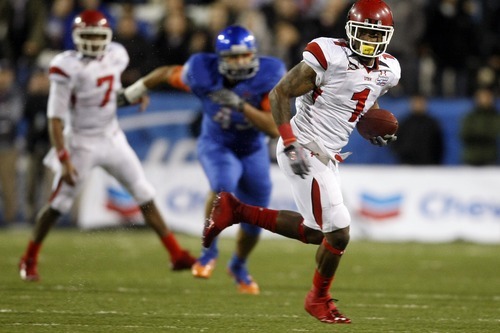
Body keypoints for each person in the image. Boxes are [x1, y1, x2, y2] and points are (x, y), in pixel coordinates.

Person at [203, 0, 400, 324]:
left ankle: (235, 210)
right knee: (338, 233)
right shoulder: (329, 55)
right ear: (350, 29)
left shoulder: (389, 69)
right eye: (362, 32)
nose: (367, 40)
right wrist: (291, 143)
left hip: (328, 154)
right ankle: (317, 299)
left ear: (388, 36)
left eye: (374, 34)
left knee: (314, 233)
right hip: (305, 144)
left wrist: (371, 126)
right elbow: (279, 94)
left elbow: (365, 96)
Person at [18, 9, 196, 282]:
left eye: (97, 36)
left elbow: (107, 96)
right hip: (80, 141)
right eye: (87, 36)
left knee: (144, 192)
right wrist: (64, 159)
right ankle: (29, 257)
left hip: (111, 136)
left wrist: (130, 97)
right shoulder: (66, 67)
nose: (93, 42)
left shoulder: (116, 55)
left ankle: (176, 254)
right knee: (59, 204)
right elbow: (55, 119)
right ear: (76, 37)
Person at [120, 25, 286, 294]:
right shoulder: (202, 72)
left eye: (245, 55)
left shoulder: (269, 75)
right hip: (217, 143)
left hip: (252, 148)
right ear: (220, 59)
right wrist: (132, 93)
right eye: (233, 57)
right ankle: (208, 252)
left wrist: (240, 105)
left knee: (256, 216)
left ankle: (239, 265)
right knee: (223, 186)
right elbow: (164, 73)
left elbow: (273, 128)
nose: (240, 61)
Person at [0, 60, 23, 225]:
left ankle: (10, 219)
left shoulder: (15, 93)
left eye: (5, 74)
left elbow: (15, 117)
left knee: (9, 185)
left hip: (8, 144)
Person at [392, 94, 444, 165]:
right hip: (407, 163)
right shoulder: (405, 122)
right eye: (416, 102)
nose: (418, 105)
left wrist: (435, 161)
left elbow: (438, 144)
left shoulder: (432, 123)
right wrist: (402, 155)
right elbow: (395, 141)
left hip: (428, 163)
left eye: (420, 102)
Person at [460, 87, 500, 166]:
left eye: (487, 97)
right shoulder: (470, 116)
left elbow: (495, 133)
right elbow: (464, 134)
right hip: (470, 159)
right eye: (482, 97)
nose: (484, 100)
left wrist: (478, 135)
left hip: (490, 158)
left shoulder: (496, 117)